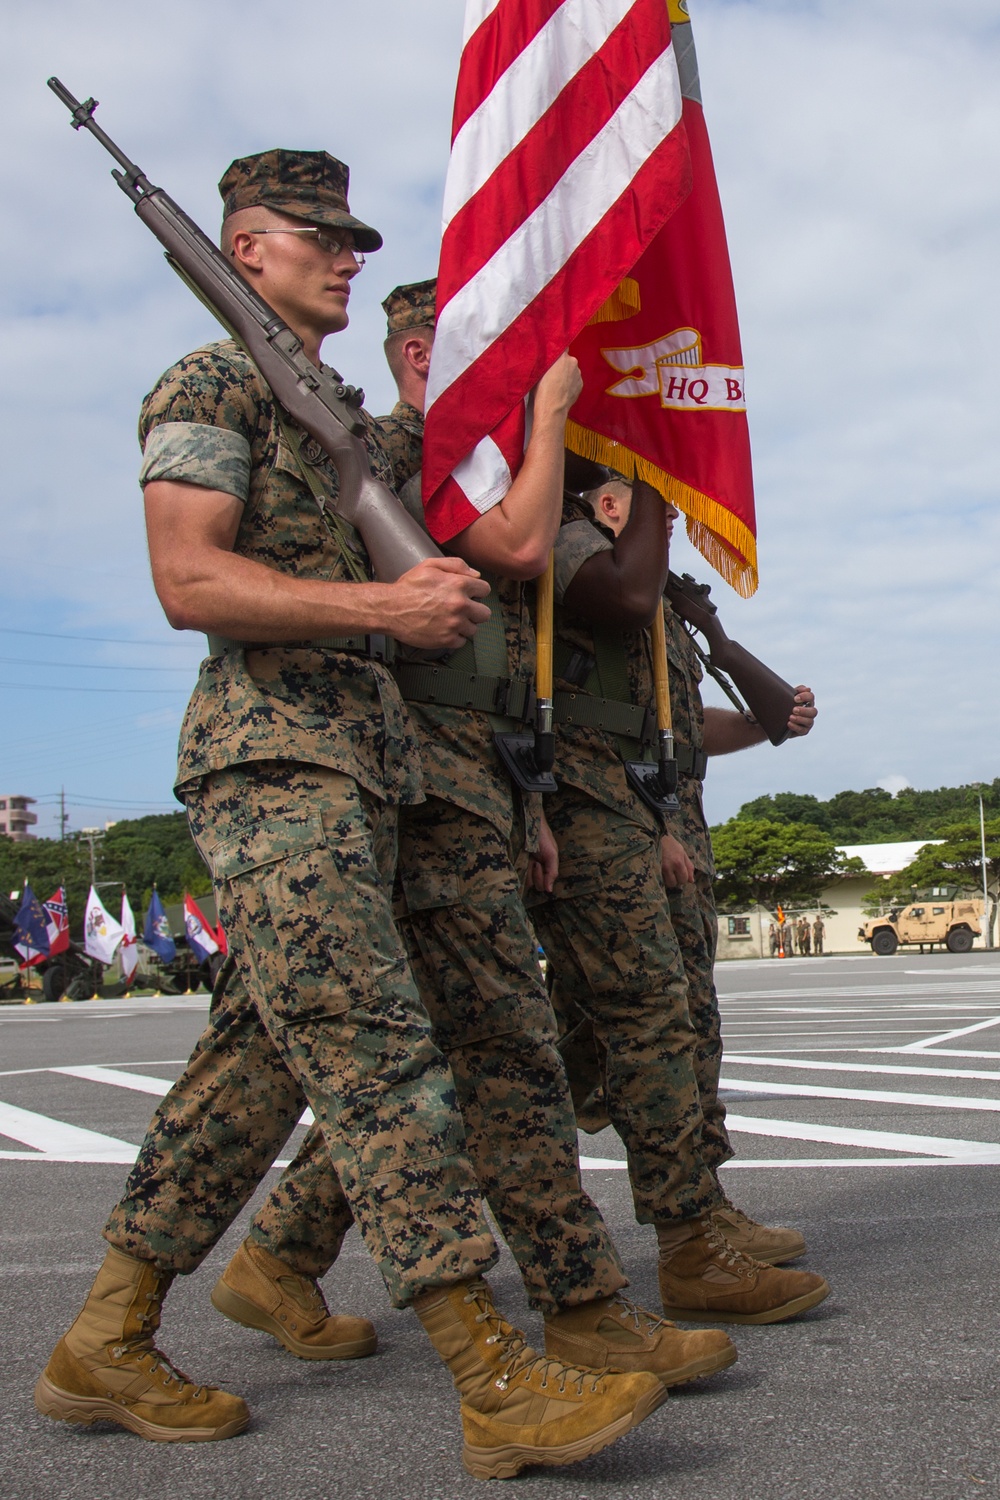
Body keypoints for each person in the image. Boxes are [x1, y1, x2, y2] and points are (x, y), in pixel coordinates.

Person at [33, 153, 667, 1480]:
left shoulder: (351, 421)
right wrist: (382, 611)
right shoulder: (210, 386)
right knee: (380, 1060)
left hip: (380, 777)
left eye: (352, 240)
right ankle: (491, 1379)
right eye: (321, 240)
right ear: (245, 251)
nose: (348, 259)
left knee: (259, 1069)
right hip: (274, 769)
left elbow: (497, 547)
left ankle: (105, 1338)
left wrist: (546, 410)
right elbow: (186, 577)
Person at [233, 277, 735, 1392]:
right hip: (377, 785)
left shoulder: (478, 473)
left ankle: (278, 1262)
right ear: (424, 356)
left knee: (474, 1051)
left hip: (478, 792)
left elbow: (518, 673)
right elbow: (512, 588)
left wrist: (527, 801)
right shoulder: (404, 461)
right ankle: (202, 1288)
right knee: (355, 1055)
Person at [528, 469, 829, 1323]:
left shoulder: (661, 605)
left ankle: (702, 1207)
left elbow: (688, 728)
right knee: (568, 1045)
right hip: (606, 824)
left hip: (661, 822)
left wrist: (758, 698)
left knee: (677, 1026)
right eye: (647, 496)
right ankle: (689, 1230)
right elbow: (590, 723)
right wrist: (647, 820)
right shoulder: (584, 560)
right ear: (611, 504)